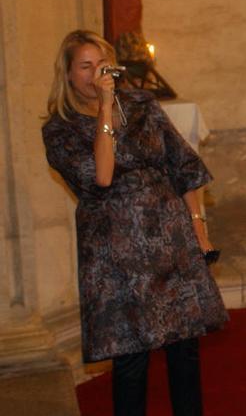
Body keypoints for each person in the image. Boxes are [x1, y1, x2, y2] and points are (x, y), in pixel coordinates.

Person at [42, 30, 228, 416]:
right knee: (131, 360)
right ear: (68, 74)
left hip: (170, 239)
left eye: (101, 65)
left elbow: (185, 166)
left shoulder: (143, 103)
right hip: (116, 254)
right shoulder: (59, 129)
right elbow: (102, 175)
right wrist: (107, 108)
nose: (95, 74)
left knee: (184, 350)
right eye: (85, 66)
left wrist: (198, 229)